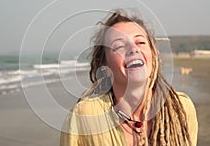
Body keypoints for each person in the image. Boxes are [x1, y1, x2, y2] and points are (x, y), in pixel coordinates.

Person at [60, 9, 198, 146]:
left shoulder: (181, 109)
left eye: (140, 42)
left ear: (153, 55)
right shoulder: (85, 116)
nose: (133, 49)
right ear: (105, 66)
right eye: (119, 46)